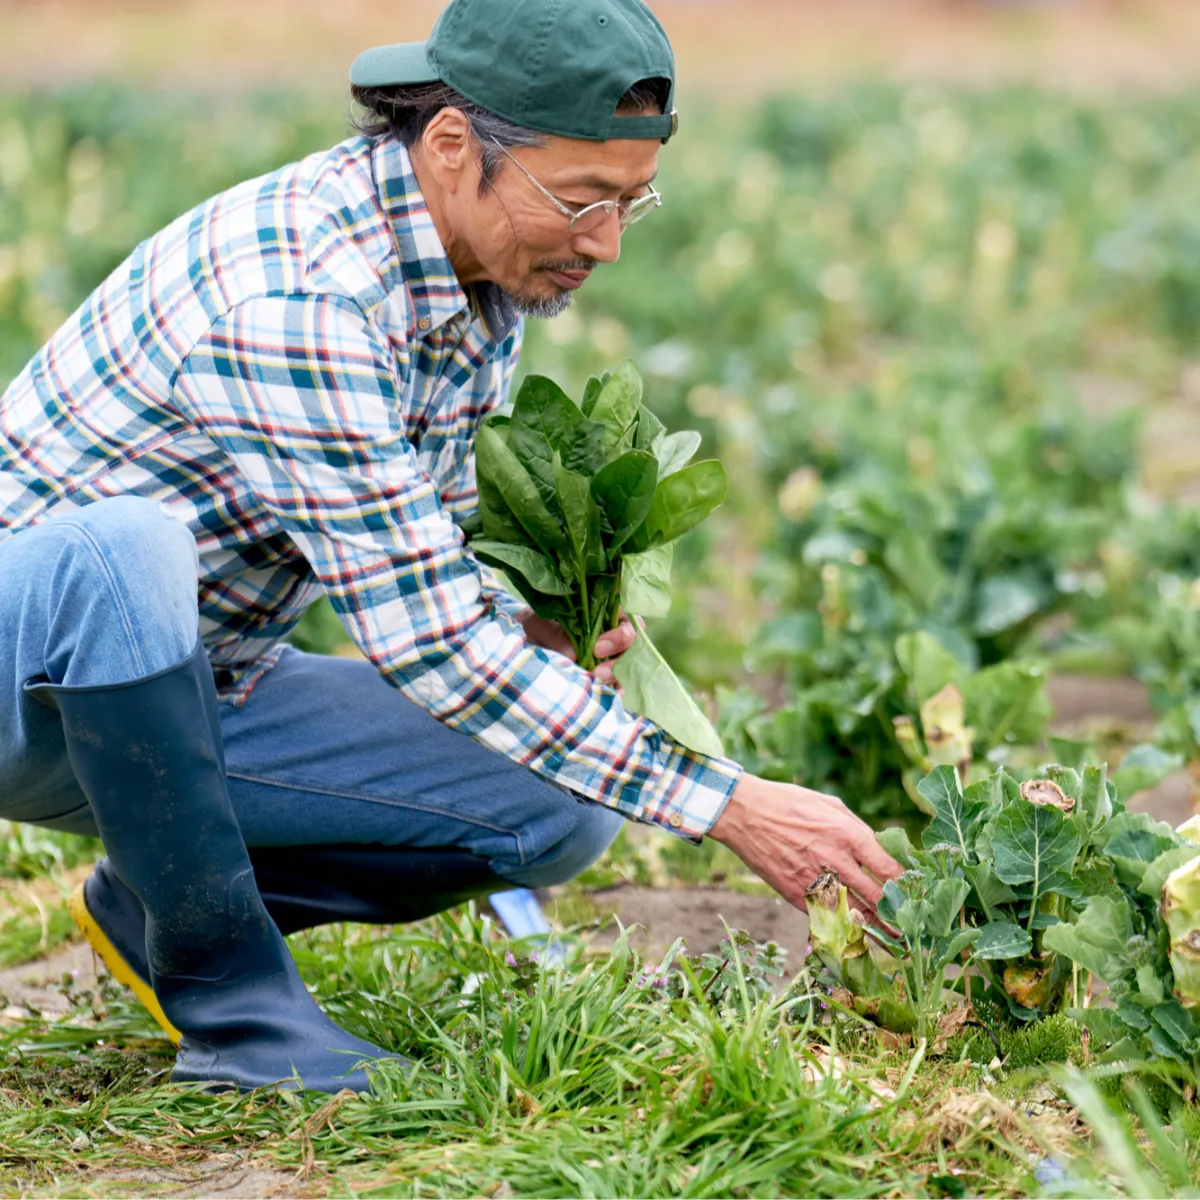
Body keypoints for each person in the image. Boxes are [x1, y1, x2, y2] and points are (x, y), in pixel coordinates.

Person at [0, 0, 900, 1094]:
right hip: (27, 684)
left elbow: (426, 570)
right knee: (122, 551)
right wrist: (729, 802)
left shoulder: (474, 284)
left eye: (631, 202)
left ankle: (164, 904)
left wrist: (518, 623)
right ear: (450, 144)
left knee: (557, 801)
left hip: (202, 689)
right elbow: (427, 645)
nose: (606, 244)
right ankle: (236, 1013)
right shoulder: (299, 299)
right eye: (580, 200)